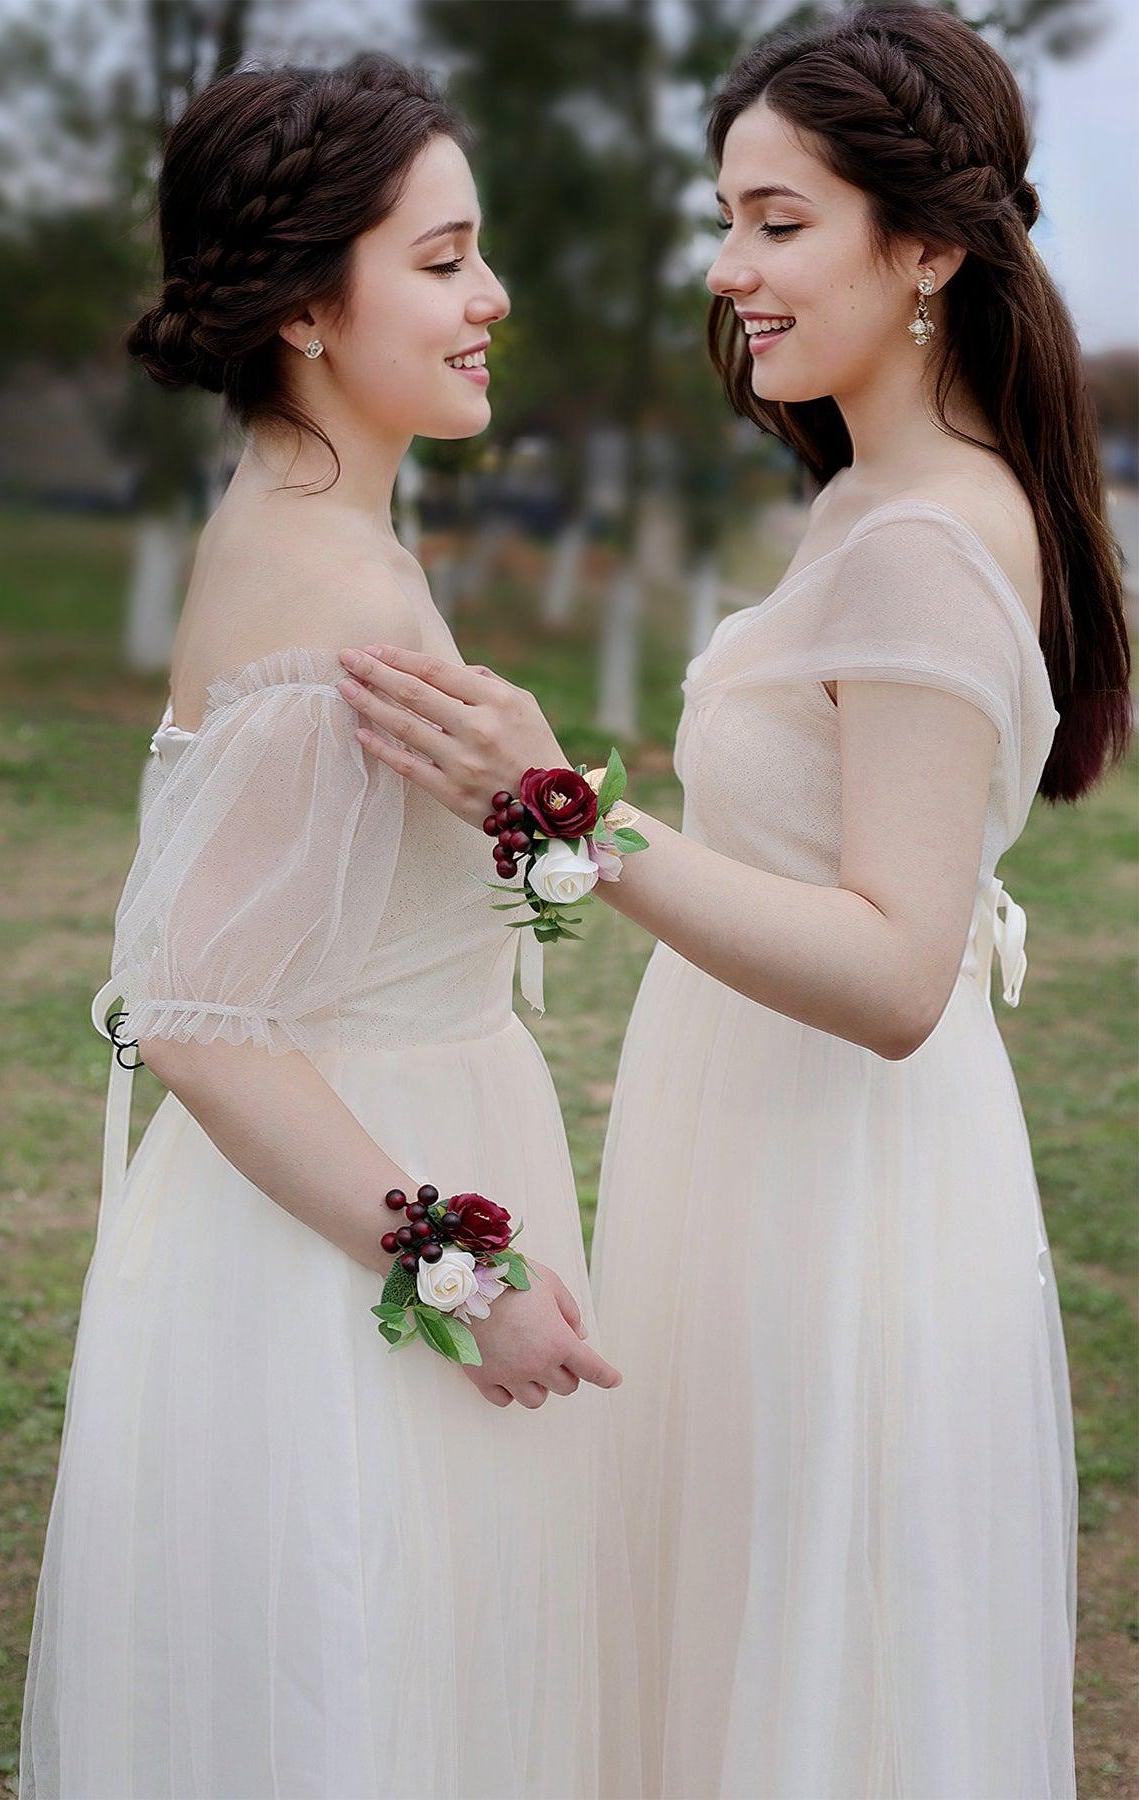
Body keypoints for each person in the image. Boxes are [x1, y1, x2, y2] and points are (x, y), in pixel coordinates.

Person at [334, 9, 1131, 1796]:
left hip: (841, 1190)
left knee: (810, 1682)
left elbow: (898, 968)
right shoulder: (878, 499)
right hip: (767, 1155)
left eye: (779, 223)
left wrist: (564, 812)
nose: (730, 269)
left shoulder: (927, 541)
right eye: (728, 219)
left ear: (927, 244)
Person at [19, 54, 639, 1800]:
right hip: (347, 1233)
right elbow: (201, 1014)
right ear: (307, 304)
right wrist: (458, 1267)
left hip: (377, 1148)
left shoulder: (321, 529)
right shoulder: (330, 583)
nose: (490, 297)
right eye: (444, 260)